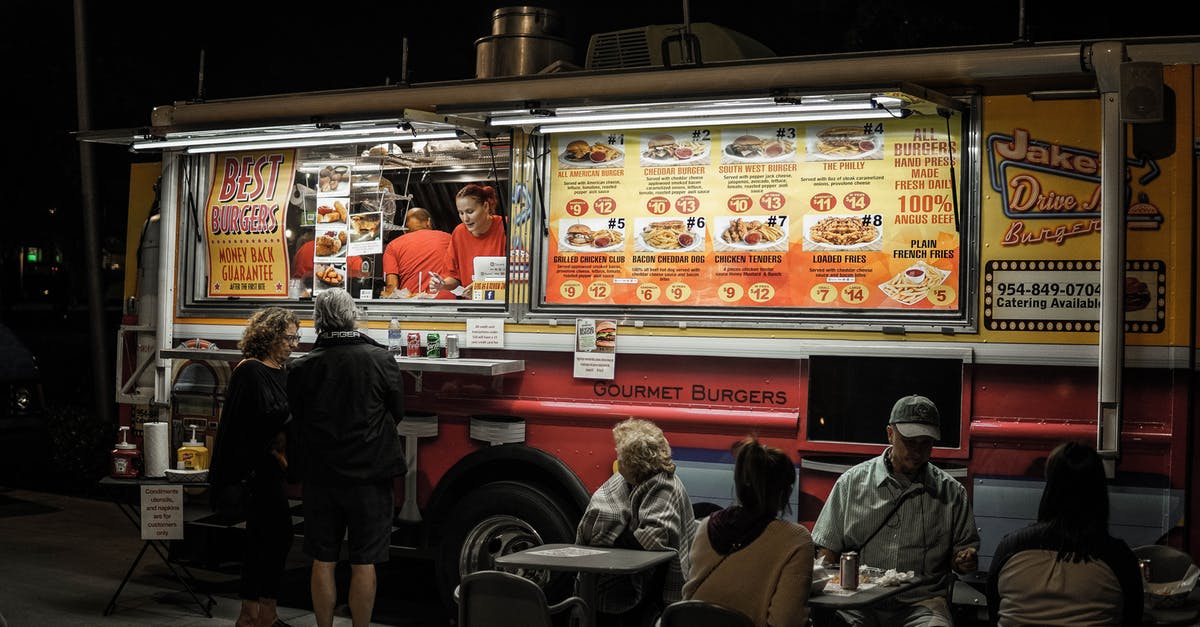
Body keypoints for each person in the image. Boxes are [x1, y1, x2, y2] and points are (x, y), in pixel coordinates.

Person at [285, 288, 406, 627]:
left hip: (321, 476)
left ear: (318, 320)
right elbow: (397, 412)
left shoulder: (301, 367)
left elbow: (296, 418)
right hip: (370, 476)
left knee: (322, 559)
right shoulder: (381, 359)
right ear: (353, 316)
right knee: (363, 560)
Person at [811, 394, 979, 627]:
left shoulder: (952, 492)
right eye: (910, 442)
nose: (918, 451)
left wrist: (964, 560)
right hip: (858, 603)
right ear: (890, 434)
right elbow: (826, 550)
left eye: (926, 443)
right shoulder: (851, 483)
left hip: (921, 604)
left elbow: (962, 556)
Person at [208, 306, 301, 627]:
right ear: (269, 336)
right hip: (254, 471)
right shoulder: (250, 371)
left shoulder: (281, 371)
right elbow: (260, 419)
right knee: (272, 539)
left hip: (272, 470)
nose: (293, 343)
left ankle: (258, 613)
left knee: (268, 540)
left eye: (296, 337)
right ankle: (257, 614)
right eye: (288, 337)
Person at [986, 441, 1143, 626]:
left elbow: (993, 611)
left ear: (1050, 486)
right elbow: (1133, 617)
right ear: (1099, 490)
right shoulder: (1118, 557)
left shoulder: (1011, 547)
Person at [576, 418, 697, 627]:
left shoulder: (663, 486)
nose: (617, 459)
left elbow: (652, 539)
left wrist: (613, 534)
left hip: (654, 587)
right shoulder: (631, 480)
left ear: (635, 463)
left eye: (620, 456)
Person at [684, 435, 814, 627]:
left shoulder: (705, 526)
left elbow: (689, 598)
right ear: (783, 493)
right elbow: (786, 621)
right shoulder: (796, 540)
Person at [428, 183, 506, 295]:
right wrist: (442, 284)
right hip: (472, 305)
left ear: (485, 206)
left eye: (470, 212)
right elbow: (453, 276)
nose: (465, 218)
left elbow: (521, 275)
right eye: (461, 213)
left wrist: (482, 287)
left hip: (504, 306)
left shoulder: (507, 227)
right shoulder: (459, 233)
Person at [379, 207, 451, 297]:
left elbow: (392, 288)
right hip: (446, 303)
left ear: (404, 230)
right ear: (429, 222)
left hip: (411, 306)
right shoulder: (449, 239)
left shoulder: (392, 246)